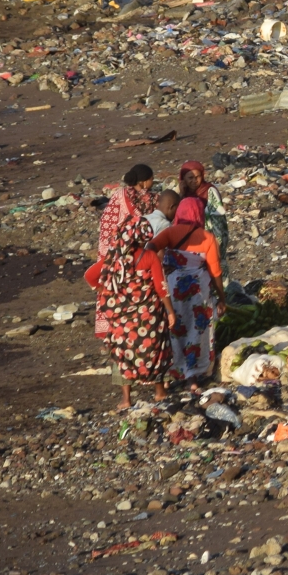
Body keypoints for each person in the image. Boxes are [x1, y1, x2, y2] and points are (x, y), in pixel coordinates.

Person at [93, 164, 172, 409]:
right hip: (146, 318)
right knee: (157, 344)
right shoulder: (148, 257)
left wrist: (108, 293)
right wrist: (168, 310)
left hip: (122, 319)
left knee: (121, 348)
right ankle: (159, 392)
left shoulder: (112, 266)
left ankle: (126, 399)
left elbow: (97, 282)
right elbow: (161, 286)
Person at [153, 196, 221, 385]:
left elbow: (150, 248)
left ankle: (170, 375)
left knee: (174, 330)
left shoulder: (169, 233)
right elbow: (216, 272)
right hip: (199, 293)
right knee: (197, 332)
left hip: (174, 290)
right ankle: (193, 377)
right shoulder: (207, 237)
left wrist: (160, 266)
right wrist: (221, 297)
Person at [178, 159, 231, 265]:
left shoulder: (210, 191)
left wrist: (217, 244)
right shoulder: (184, 193)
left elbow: (218, 220)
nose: (194, 181)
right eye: (190, 178)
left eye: (197, 177)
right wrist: (181, 194)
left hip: (209, 238)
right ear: (183, 179)